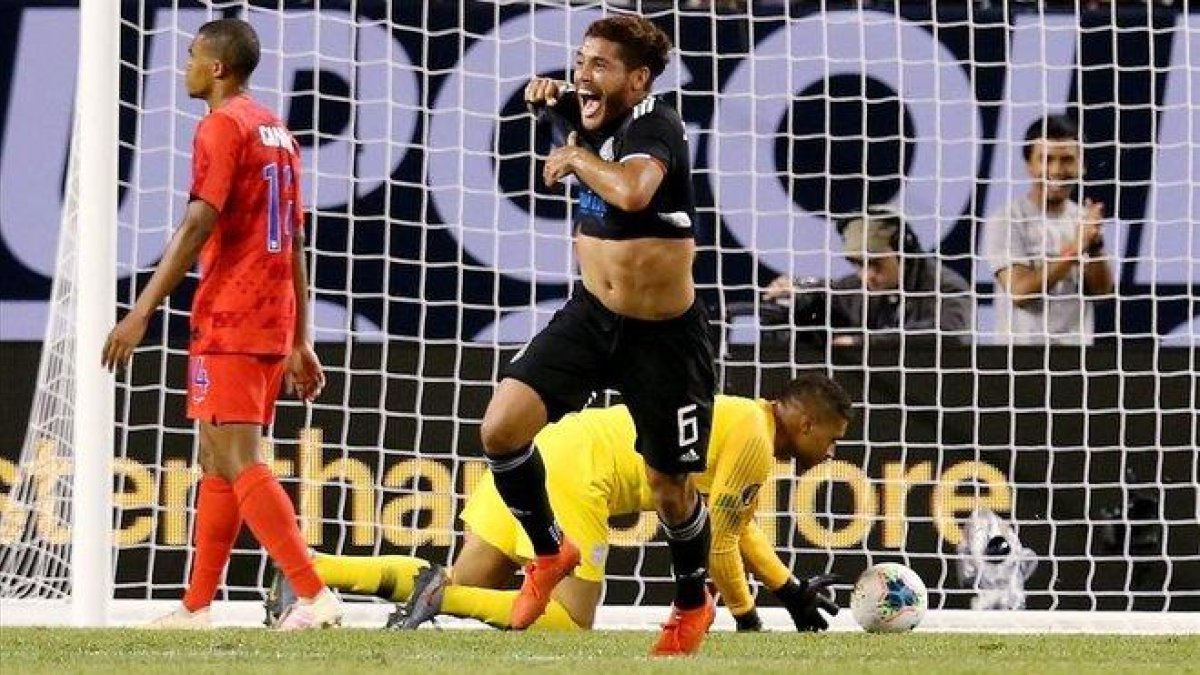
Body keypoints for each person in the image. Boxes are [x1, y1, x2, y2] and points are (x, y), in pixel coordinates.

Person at [265, 375, 852, 633]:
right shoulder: (754, 436)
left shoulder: (746, 422)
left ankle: (311, 571)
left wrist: (789, 589)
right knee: (569, 623)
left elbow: (737, 531)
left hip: (545, 450)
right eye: (830, 439)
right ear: (802, 421)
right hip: (579, 475)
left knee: (473, 583)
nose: (829, 454)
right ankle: (435, 596)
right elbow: (718, 544)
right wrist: (750, 619)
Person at [484, 16, 716, 655]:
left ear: (637, 79)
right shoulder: (578, 107)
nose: (583, 74)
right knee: (500, 430)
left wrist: (575, 154)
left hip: (665, 337)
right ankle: (550, 548)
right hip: (591, 317)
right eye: (580, 60)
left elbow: (635, 191)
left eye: (601, 65)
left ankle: (693, 603)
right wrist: (551, 102)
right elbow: (564, 109)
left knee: (670, 487)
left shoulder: (656, 125)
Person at [100, 19, 341, 630]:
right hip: (271, 312)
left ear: (216, 68)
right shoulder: (278, 132)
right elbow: (295, 242)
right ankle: (196, 606)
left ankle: (314, 594)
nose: (183, 67)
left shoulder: (220, 127)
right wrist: (300, 336)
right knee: (214, 459)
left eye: (190, 56)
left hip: (232, 314)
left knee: (236, 457)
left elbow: (199, 223)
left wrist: (142, 308)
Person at [983, 114, 1115, 345]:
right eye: (1046, 159)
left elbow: (1102, 292)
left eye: (1067, 160)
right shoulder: (1006, 219)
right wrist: (1076, 249)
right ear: (1030, 165)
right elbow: (1020, 292)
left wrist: (1094, 246)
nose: (1056, 170)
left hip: (1077, 362)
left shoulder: (1082, 219)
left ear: (1081, 165)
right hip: (1019, 361)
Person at [763, 206, 973, 346]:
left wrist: (861, 343)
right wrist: (798, 288)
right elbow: (829, 291)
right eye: (858, 265)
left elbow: (948, 332)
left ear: (905, 253)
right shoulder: (858, 286)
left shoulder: (947, 287)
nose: (867, 276)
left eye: (875, 263)